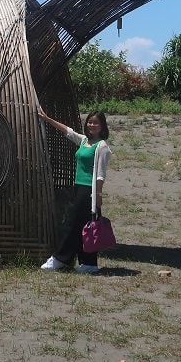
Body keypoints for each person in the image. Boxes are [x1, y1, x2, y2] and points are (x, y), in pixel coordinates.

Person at [37, 105, 111, 274]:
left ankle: (60, 259)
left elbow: (100, 174)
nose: (92, 125)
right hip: (78, 188)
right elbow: (68, 131)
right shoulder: (85, 141)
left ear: (102, 126)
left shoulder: (102, 146)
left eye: (96, 123)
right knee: (84, 226)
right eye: (90, 122)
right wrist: (47, 119)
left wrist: (98, 195)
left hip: (89, 191)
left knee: (72, 224)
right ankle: (88, 264)